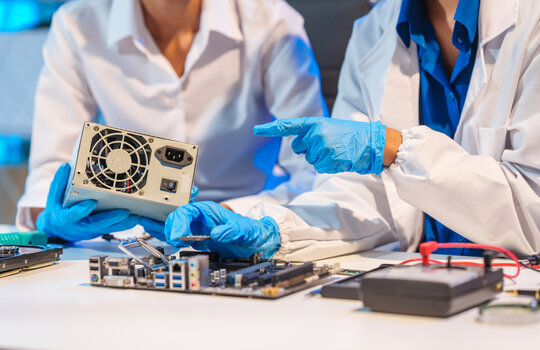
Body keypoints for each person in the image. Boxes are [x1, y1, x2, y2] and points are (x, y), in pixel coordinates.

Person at [166, 0, 540, 260]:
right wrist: (271, 228)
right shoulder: (374, 30)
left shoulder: (530, 22)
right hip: (420, 279)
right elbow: (363, 199)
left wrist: (395, 148)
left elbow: (532, 208)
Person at [16, 0, 327, 242]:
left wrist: (239, 214)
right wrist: (54, 217)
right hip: (125, 238)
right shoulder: (77, 25)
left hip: (246, 230)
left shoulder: (272, 23)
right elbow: (52, 169)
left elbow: (313, 172)